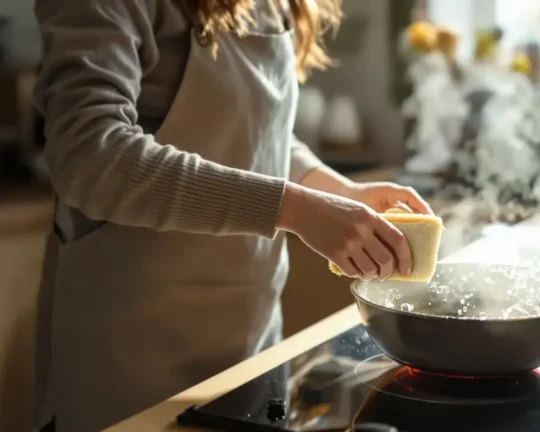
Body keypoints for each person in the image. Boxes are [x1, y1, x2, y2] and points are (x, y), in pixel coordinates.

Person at [32, 0, 432, 430]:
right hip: (130, 355)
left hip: (250, 342)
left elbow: (259, 130)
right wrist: (295, 207)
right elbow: (91, 157)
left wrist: (338, 191)